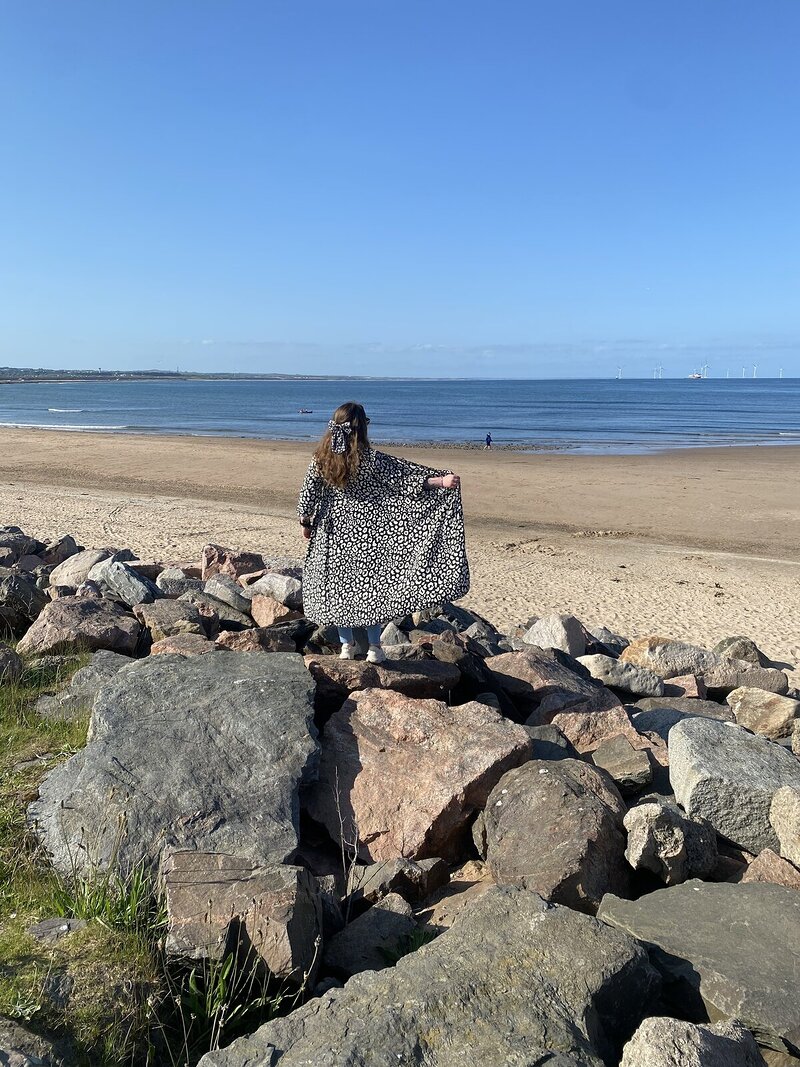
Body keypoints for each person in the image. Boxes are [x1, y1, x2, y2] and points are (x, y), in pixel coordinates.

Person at [297, 402, 470, 663]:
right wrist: (440, 481)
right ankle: (374, 648)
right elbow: (404, 479)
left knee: (337, 590)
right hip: (367, 534)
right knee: (370, 589)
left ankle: (347, 646)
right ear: (362, 428)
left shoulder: (321, 458)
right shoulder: (370, 459)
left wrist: (305, 522)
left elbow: (308, 493)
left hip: (331, 533)